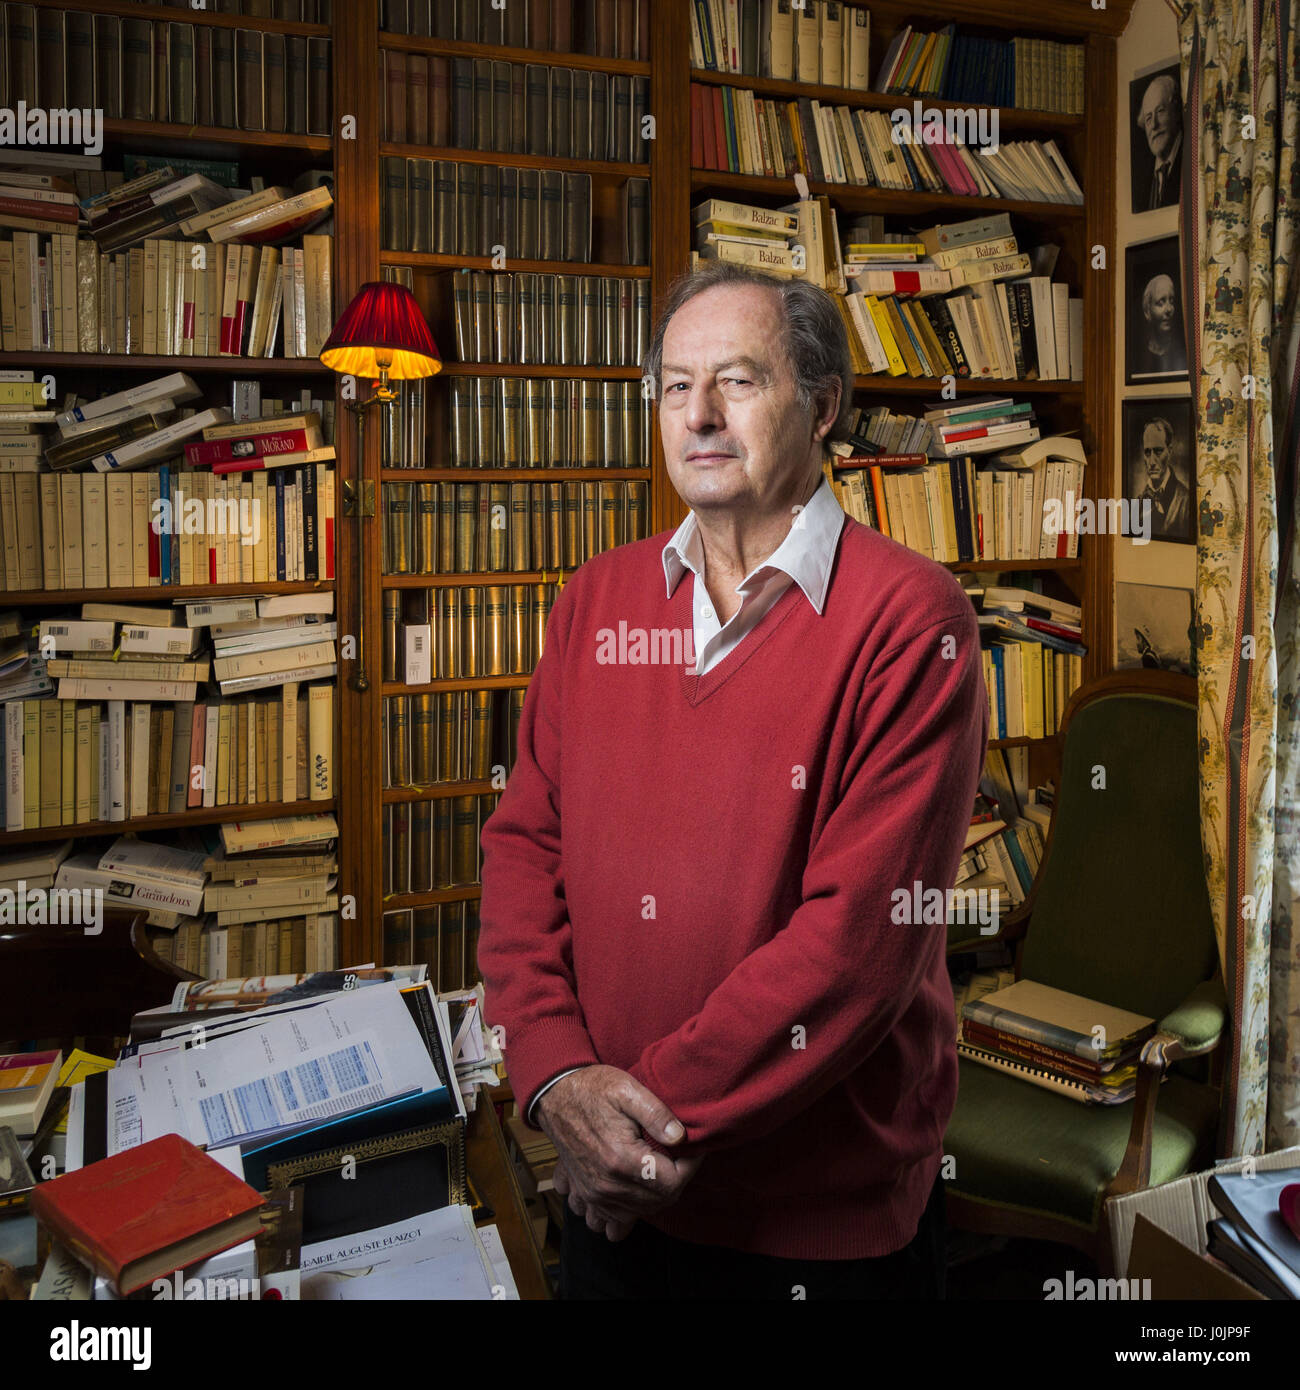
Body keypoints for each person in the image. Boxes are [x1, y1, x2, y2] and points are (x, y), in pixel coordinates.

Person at [478, 261, 988, 1301]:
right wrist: (557, 1079)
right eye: (675, 385)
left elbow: (856, 947)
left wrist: (634, 1128)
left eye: (739, 381)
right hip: (605, 1193)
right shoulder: (595, 600)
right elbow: (524, 850)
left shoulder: (912, 620)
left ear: (824, 405)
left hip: (813, 1228)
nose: (699, 414)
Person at [1136, 416, 1191, 540]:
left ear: (1170, 451)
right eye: (1147, 452)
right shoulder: (1139, 500)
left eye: (1158, 451)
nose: (1152, 462)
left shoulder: (1186, 501)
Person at [1136, 72, 1182, 210]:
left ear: (1175, 110)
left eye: (1160, 111)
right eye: (1149, 118)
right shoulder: (1142, 181)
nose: (1154, 125)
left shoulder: (1193, 159)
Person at [1133, 273, 1187, 377]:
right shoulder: (1139, 356)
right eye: (1160, 303)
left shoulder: (1181, 350)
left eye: (1171, 301)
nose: (1169, 309)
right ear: (1147, 311)